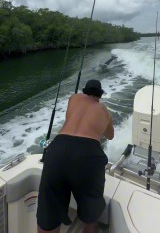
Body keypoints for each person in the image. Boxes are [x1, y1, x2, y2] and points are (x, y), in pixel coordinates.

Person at [37, 79, 114, 233]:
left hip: (58, 148)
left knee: (48, 215)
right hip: (88, 153)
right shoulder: (104, 111)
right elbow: (110, 136)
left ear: (85, 91)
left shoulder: (74, 98)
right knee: (90, 217)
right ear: (99, 96)